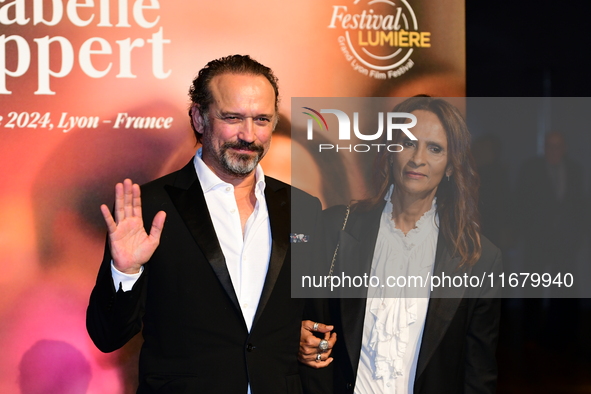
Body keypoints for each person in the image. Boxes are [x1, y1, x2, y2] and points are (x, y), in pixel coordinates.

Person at [86, 55, 328, 394]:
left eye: (261, 119)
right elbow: (107, 336)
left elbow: (312, 320)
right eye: (233, 118)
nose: (249, 135)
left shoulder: (303, 207)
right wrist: (125, 272)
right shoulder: (150, 207)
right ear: (199, 118)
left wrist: (305, 338)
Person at [299, 97, 502, 393]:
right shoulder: (336, 228)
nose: (418, 158)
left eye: (435, 148)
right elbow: (305, 325)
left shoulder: (478, 259)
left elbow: (478, 372)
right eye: (407, 142)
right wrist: (302, 339)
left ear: (449, 166)